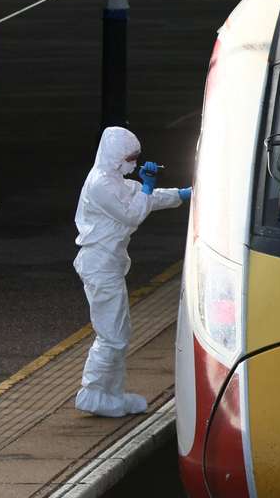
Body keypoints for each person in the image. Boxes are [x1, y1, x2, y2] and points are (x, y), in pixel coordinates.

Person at [73, 127, 191, 417]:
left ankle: (110, 395)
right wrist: (148, 186)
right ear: (115, 156)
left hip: (107, 265)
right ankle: (92, 393)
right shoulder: (100, 184)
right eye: (131, 157)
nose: (135, 164)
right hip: (100, 265)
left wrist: (184, 195)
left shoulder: (114, 180)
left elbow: (144, 198)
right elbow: (133, 213)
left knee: (118, 333)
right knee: (111, 335)